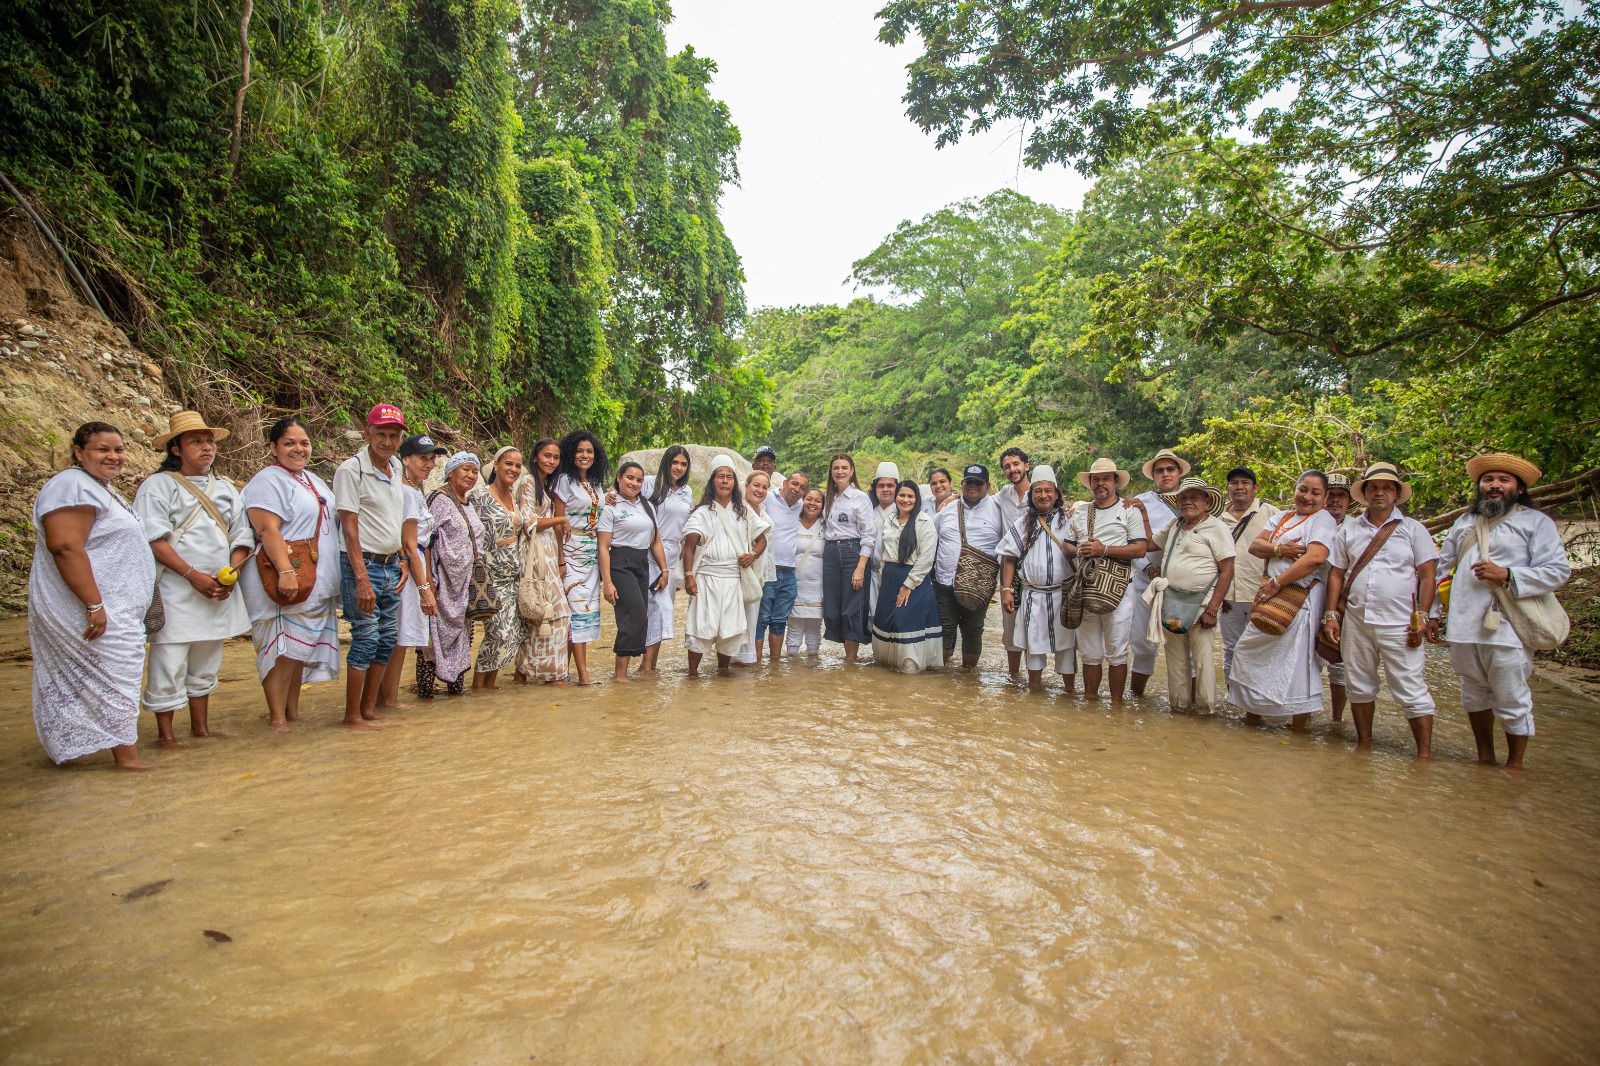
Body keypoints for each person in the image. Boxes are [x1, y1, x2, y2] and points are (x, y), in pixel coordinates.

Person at [1428, 453, 1572, 770]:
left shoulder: (1535, 523)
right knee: (1473, 693)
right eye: (1488, 480)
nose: (1494, 485)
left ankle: (1515, 766)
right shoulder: (1464, 523)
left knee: (1511, 695)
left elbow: (1558, 571)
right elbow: (1443, 570)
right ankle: (1484, 757)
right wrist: (1433, 613)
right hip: (1464, 624)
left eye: (1503, 480)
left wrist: (1508, 575)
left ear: (1519, 489)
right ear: (1480, 487)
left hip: (1507, 626)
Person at [29, 422, 156, 769]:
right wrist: (94, 604)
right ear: (78, 451)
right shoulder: (70, 486)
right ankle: (127, 760)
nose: (113, 456)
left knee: (106, 677)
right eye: (103, 449)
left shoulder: (96, 487)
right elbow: (65, 547)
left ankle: (75, 754)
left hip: (112, 606)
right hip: (94, 607)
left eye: (118, 449)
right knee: (115, 677)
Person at [134, 411, 252, 746]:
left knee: (207, 661)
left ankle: (201, 728)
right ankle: (166, 736)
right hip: (175, 590)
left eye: (209, 441)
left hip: (217, 590)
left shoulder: (226, 488)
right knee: (169, 661)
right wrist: (192, 575)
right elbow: (154, 539)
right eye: (196, 442)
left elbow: (242, 536)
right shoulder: (157, 486)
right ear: (176, 449)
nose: (206, 448)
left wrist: (231, 574)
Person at [1322, 463, 1438, 758]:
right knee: (1358, 684)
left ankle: (1424, 755)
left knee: (1411, 688)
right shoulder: (1349, 530)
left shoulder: (1414, 530)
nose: (1380, 492)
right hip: (1357, 620)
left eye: (1387, 487)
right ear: (1365, 493)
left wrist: (1423, 615)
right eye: (1374, 487)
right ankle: (1364, 745)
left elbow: (1427, 574)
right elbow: (1336, 573)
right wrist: (1331, 616)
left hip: (1401, 622)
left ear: (1397, 494)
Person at [238, 416, 342, 733]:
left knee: (299, 649)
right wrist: (285, 571)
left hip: (312, 579)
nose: (299, 449)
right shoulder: (267, 481)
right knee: (280, 648)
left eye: (304, 443)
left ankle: (292, 712)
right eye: (290, 443)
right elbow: (267, 529)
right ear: (273, 447)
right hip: (282, 577)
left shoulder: (312, 480)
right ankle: (277, 718)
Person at [1227, 470, 1337, 730]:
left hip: (1300, 599)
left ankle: (1298, 728)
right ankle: (1252, 719)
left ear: (1325, 497)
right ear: (1295, 489)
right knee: (1245, 654)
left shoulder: (1322, 520)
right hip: (1270, 597)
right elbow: (1256, 545)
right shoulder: (1282, 517)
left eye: (1315, 492)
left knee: (1298, 664)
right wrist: (1280, 549)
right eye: (1303, 490)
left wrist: (1278, 582)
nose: (1307, 497)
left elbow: (1315, 558)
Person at [333, 403, 409, 728]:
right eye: (381, 434)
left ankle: (369, 709)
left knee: (387, 636)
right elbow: (349, 526)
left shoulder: (397, 468)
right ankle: (352, 716)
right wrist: (362, 579)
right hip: (362, 564)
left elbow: (395, 519)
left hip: (391, 564)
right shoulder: (351, 470)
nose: (388, 442)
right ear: (367, 434)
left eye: (394, 436)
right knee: (366, 636)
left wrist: (403, 558)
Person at [1145, 477, 1234, 714]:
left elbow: (1227, 570)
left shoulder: (1217, 527)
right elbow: (1149, 544)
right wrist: (1142, 512)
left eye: (1194, 497)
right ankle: (1179, 709)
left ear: (1206, 501)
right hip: (1171, 602)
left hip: (1202, 604)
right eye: (1183, 498)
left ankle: (1206, 711)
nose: (1187, 502)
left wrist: (1213, 609)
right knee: (1175, 662)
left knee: (1204, 662)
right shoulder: (1175, 525)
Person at [1068, 457, 1149, 702]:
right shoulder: (1081, 512)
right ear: (1090, 483)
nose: (1100, 483)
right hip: (1086, 586)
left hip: (1120, 588)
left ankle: (1116, 705)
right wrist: (1079, 551)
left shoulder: (1129, 510)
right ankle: (1091, 703)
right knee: (1089, 652)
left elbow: (1140, 549)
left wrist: (1102, 550)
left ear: (1115, 481)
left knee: (1117, 651)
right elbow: (1067, 546)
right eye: (1096, 479)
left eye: (1106, 478)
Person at [682, 455, 767, 676]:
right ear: (713, 481)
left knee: (730, 630)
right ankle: (692, 674)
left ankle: (722, 670)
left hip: (733, 579)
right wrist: (689, 576)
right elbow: (689, 546)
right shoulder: (702, 512)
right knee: (701, 627)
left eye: (729, 477)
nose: (725, 481)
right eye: (721, 476)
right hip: (706, 578)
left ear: (734, 483)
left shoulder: (744, 511)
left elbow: (762, 539)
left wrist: (752, 555)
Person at [380, 434, 446, 709]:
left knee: (400, 638)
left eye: (432, 459)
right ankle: (388, 701)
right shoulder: (406, 492)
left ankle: (385, 699)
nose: (429, 464)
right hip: (409, 566)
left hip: (416, 561)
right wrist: (424, 588)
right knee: (399, 638)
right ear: (405, 459)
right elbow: (409, 541)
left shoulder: (414, 490)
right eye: (422, 458)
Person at [997, 466, 1076, 691]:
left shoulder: (1070, 520)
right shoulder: (1022, 523)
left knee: (1067, 648)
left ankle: (1070, 695)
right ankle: (1034, 694)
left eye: (1048, 491)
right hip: (1032, 595)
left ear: (1057, 494)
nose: (1043, 495)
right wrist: (1006, 590)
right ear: (1031, 496)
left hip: (1064, 596)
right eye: (1038, 491)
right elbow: (1009, 558)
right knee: (1033, 648)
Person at [598, 461, 669, 683]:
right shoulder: (610, 505)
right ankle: (620, 675)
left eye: (639, 480)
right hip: (620, 562)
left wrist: (664, 569)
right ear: (619, 477)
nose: (634, 483)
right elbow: (603, 546)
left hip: (642, 563)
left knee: (641, 616)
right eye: (630, 478)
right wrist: (607, 582)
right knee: (633, 615)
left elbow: (655, 540)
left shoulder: (646, 505)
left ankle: (623, 672)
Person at [424, 452, 485, 697]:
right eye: (465, 470)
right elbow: (426, 541)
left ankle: (456, 696)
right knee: (432, 640)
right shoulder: (439, 499)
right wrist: (427, 581)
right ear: (450, 472)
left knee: (463, 635)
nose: (470, 475)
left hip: (465, 583)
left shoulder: (467, 502)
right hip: (442, 582)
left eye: (474, 471)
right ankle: (426, 694)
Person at [932, 464, 1004, 669]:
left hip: (979, 585)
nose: (973, 486)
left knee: (973, 630)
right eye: (969, 482)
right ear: (962, 484)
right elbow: (928, 534)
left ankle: (968, 679)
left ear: (987, 485)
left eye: (978, 482)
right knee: (944, 630)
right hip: (945, 582)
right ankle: (942, 679)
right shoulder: (948, 508)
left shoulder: (998, 508)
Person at [513, 438, 572, 685]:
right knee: (548, 612)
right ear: (535, 456)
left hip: (546, 552)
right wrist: (560, 520)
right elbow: (530, 524)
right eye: (547, 455)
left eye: (555, 457)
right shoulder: (528, 481)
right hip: (534, 554)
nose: (551, 461)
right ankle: (550, 675)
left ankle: (527, 674)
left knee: (544, 613)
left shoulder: (546, 484)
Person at [1129, 449, 1188, 698]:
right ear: (1153, 475)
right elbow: (1131, 540)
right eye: (1160, 470)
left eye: (1170, 469)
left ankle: (1187, 703)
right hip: (1146, 582)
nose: (1165, 474)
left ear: (1179, 473)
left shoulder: (1194, 499)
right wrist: (1146, 566)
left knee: (1185, 647)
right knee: (1143, 645)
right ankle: (1136, 700)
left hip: (1184, 585)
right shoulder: (1140, 502)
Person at [871, 480, 943, 673]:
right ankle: (888, 673)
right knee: (887, 622)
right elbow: (881, 552)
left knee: (906, 623)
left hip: (914, 582)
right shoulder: (890, 520)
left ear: (917, 499)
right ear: (896, 497)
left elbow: (926, 558)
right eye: (902, 495)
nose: (905, 499)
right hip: (889, 580)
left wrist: (908, 585)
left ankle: (910, 671)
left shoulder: (924, 522)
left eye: (910, 496)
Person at [554, 429, 608, 685]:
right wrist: (560, 560)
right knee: (575, 610)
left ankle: (564, 672)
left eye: (589, 451)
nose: (585, 456)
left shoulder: (595, 484)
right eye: (580, 451)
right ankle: (582, 675)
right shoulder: (564, 480)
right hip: (570, 548)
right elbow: (558, 521)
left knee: (586, 611)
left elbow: (599, 513)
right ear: (570, 453)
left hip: (591, 551)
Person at [471, 446, 527, 691]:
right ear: (496, 465)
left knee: (512, 634)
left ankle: (488, 688)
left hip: (513, 575)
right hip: (490, 576)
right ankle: (477, 688)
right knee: (498, 634)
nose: (513, 469)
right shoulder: (480, 496)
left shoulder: (514, 497)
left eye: (517, 466)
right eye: (508, 464)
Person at [1219, 466, 1281, 679]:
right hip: (1227, 599)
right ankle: (1233, 699)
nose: (1239, 487)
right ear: (1227, 488)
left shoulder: (1271, 514)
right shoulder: (1218, 517)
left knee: (1260, 651)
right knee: (1231, 650)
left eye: (1245, 483)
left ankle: (1255, 705)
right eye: (1234, 483)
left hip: (1261, 594)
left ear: (1255, 488)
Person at [641, 446, 693, 673]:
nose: (679, 468)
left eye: (683, 464)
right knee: (652, 610)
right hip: (648, 553)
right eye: (675, 462)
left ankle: (650, 666)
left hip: (672, 559)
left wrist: (681, 569)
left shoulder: (687, 491)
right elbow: (625, 495)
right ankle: (644, 665)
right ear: (666, 462)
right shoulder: (649, 483)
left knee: (661, 612)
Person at [821, 453, 875, 662]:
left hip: (853, 552)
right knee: (833, 608)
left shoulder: (860, 498)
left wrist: (861, 567)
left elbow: (868, 535)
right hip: (831, 552)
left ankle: (850, 660)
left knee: (851, 608)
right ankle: (846, 656)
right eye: (836, 468)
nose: (840, 471)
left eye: (844, 467)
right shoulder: (829, 497)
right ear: (831, 472)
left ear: (852, 471)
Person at [758, 468, 806, 661]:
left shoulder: (801, 505)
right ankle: (756, 662)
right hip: (767, 568)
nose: (797, 489)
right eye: (794, 483)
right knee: (761, 620)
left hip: (789, 572)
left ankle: (775, 665)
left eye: (802, 487)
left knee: (779, 621)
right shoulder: (768, 498)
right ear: (785, 483)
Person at [1320, 472, 1356, 720]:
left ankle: (1336, 718)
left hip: (1344, 603)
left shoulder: (1357, 528)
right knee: (1305, 656)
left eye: (1341, 496)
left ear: (1349, 501)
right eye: (1330, 495)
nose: (1335, 501)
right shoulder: (1309, 522)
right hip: (1308, 597)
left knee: (1339, 660)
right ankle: (1302, 712)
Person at [995, 446, 1032, 678]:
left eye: (1016, 464)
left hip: (1035, 568)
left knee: (1033, 621)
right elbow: (979, 499)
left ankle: (1034, 677)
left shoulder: (1040, 493)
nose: (1012, 469)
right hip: (1008, 566)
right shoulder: (1004, 494)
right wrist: (954, 496)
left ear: (1026, 466)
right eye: (1007, 466)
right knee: (1010, 623)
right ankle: (1013, 678)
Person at [734, 470, 776, 664]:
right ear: (746, 486)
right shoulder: (738, 510)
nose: (760, 490)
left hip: (758, 576)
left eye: (764, 487)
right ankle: (732, 664)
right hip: (738, 574)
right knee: (736, 623)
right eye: (756, 485)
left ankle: (746, 666)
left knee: (751, 622)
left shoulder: (764, 513)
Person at [786, 488, 827, 657]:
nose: (812, 503)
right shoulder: (791, 522)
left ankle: (812, 669)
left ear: (823, 505)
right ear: (802, 501)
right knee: (793, 627)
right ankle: (789, 668)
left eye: (818, 501)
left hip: (818, 586)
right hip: (793, 585)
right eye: (809, 499)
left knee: (814, 628)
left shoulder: (827, 526)